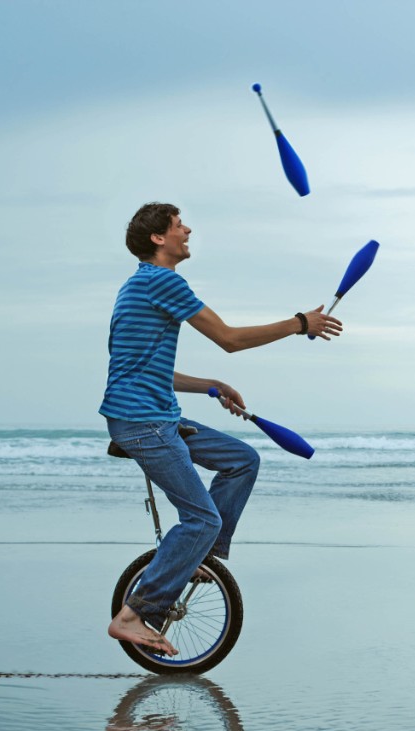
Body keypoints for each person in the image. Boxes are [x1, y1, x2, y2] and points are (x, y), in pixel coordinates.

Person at [101, 202, 342, 655]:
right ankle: (132, 615)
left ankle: (196, 555)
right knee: (201, 518)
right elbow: (229, 339)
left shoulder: (136, 286)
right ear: (158, 238)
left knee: (241, 460)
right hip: (142, 422)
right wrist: (298, 324)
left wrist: (209, 385)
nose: (187, 230)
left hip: (155, 414)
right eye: (178, 226)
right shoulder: (161, 281)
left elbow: (141, 369)